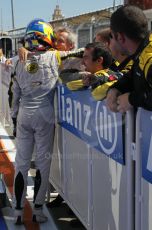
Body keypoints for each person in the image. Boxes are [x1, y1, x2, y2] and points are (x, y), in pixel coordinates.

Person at [10, 18, 83, 225]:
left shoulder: (17, 59)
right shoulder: (56, 57)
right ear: (46, 36)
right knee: (42, 164)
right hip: (45, 115)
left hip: (24, 113)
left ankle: (17, 211)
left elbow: (13, 93)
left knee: (21, 164)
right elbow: (83, 53)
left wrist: (14, 118)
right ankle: (38, 209)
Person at [106, 5, 152, 113]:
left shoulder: (149, 57)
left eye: (111, 36)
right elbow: (133, 74)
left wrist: (131, 99)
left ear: (119, 37)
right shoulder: (142, 50)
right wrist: (116, 88)